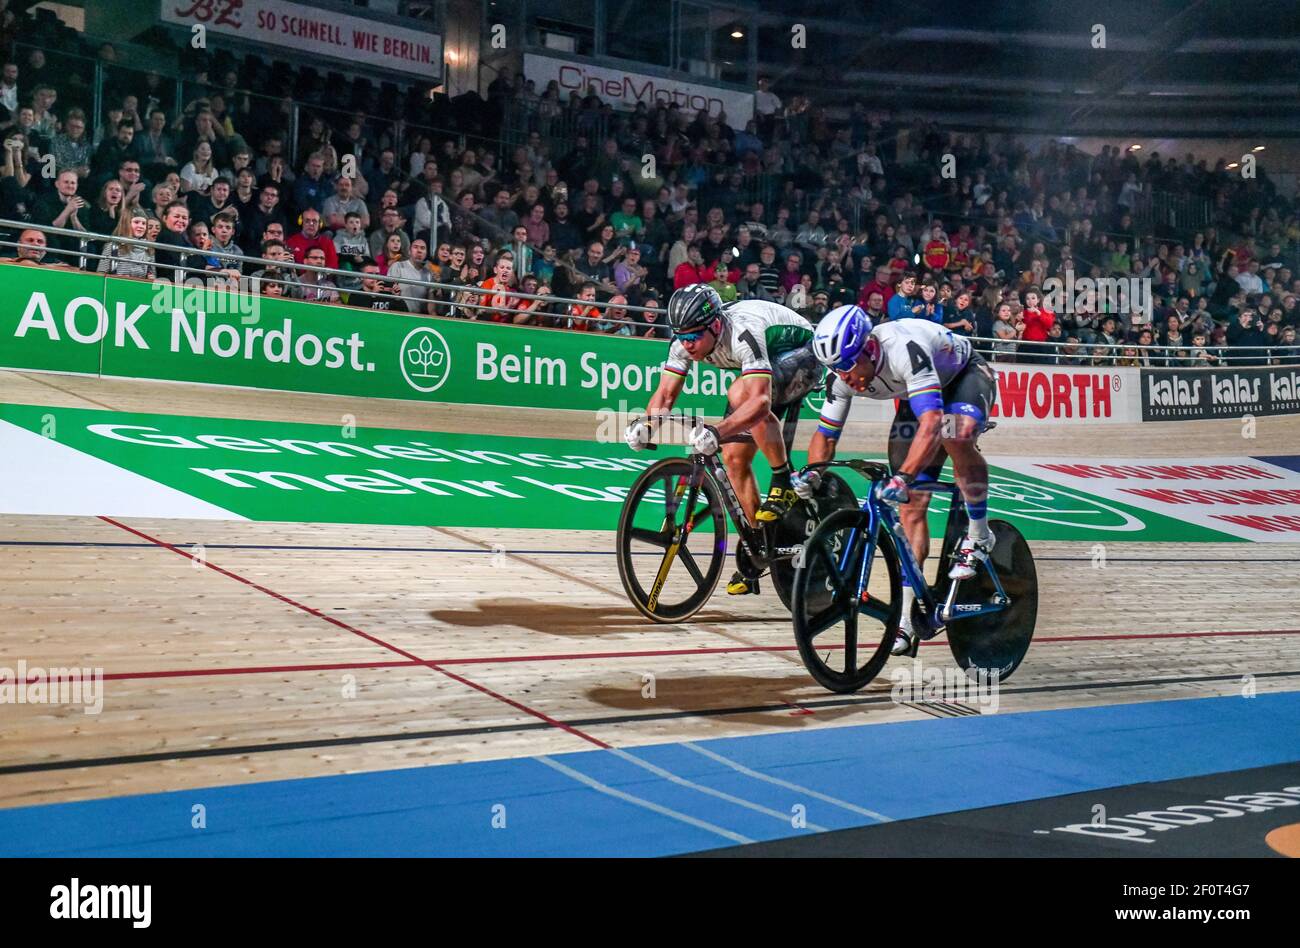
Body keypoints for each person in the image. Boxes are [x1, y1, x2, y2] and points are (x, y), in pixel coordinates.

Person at [802, 305, 998, 654]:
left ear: (869, 349)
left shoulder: (904, 349)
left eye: (847, 367)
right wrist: (813, 472)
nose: (844, 377)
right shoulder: (841, 374)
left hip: (964, 377)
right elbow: (825, 436)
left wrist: (904, 476)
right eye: (836, 370)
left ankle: (980, 534)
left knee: (956, 433)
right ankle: (907, 619)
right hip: (916, 394)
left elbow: (934, 422)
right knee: (910, 509)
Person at [626, 284, 822, 597]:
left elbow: (759, 403)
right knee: (732, 459)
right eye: (682, 337)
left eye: (693, 337)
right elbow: (665, 394)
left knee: (740, 395)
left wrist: (717, 431)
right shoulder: (684, 340)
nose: (687, 345)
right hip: (764, 368)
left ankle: (783, 480)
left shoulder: (743, 331)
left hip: (803, 354)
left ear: (716, 325)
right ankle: (759, 547)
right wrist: (647, 425)